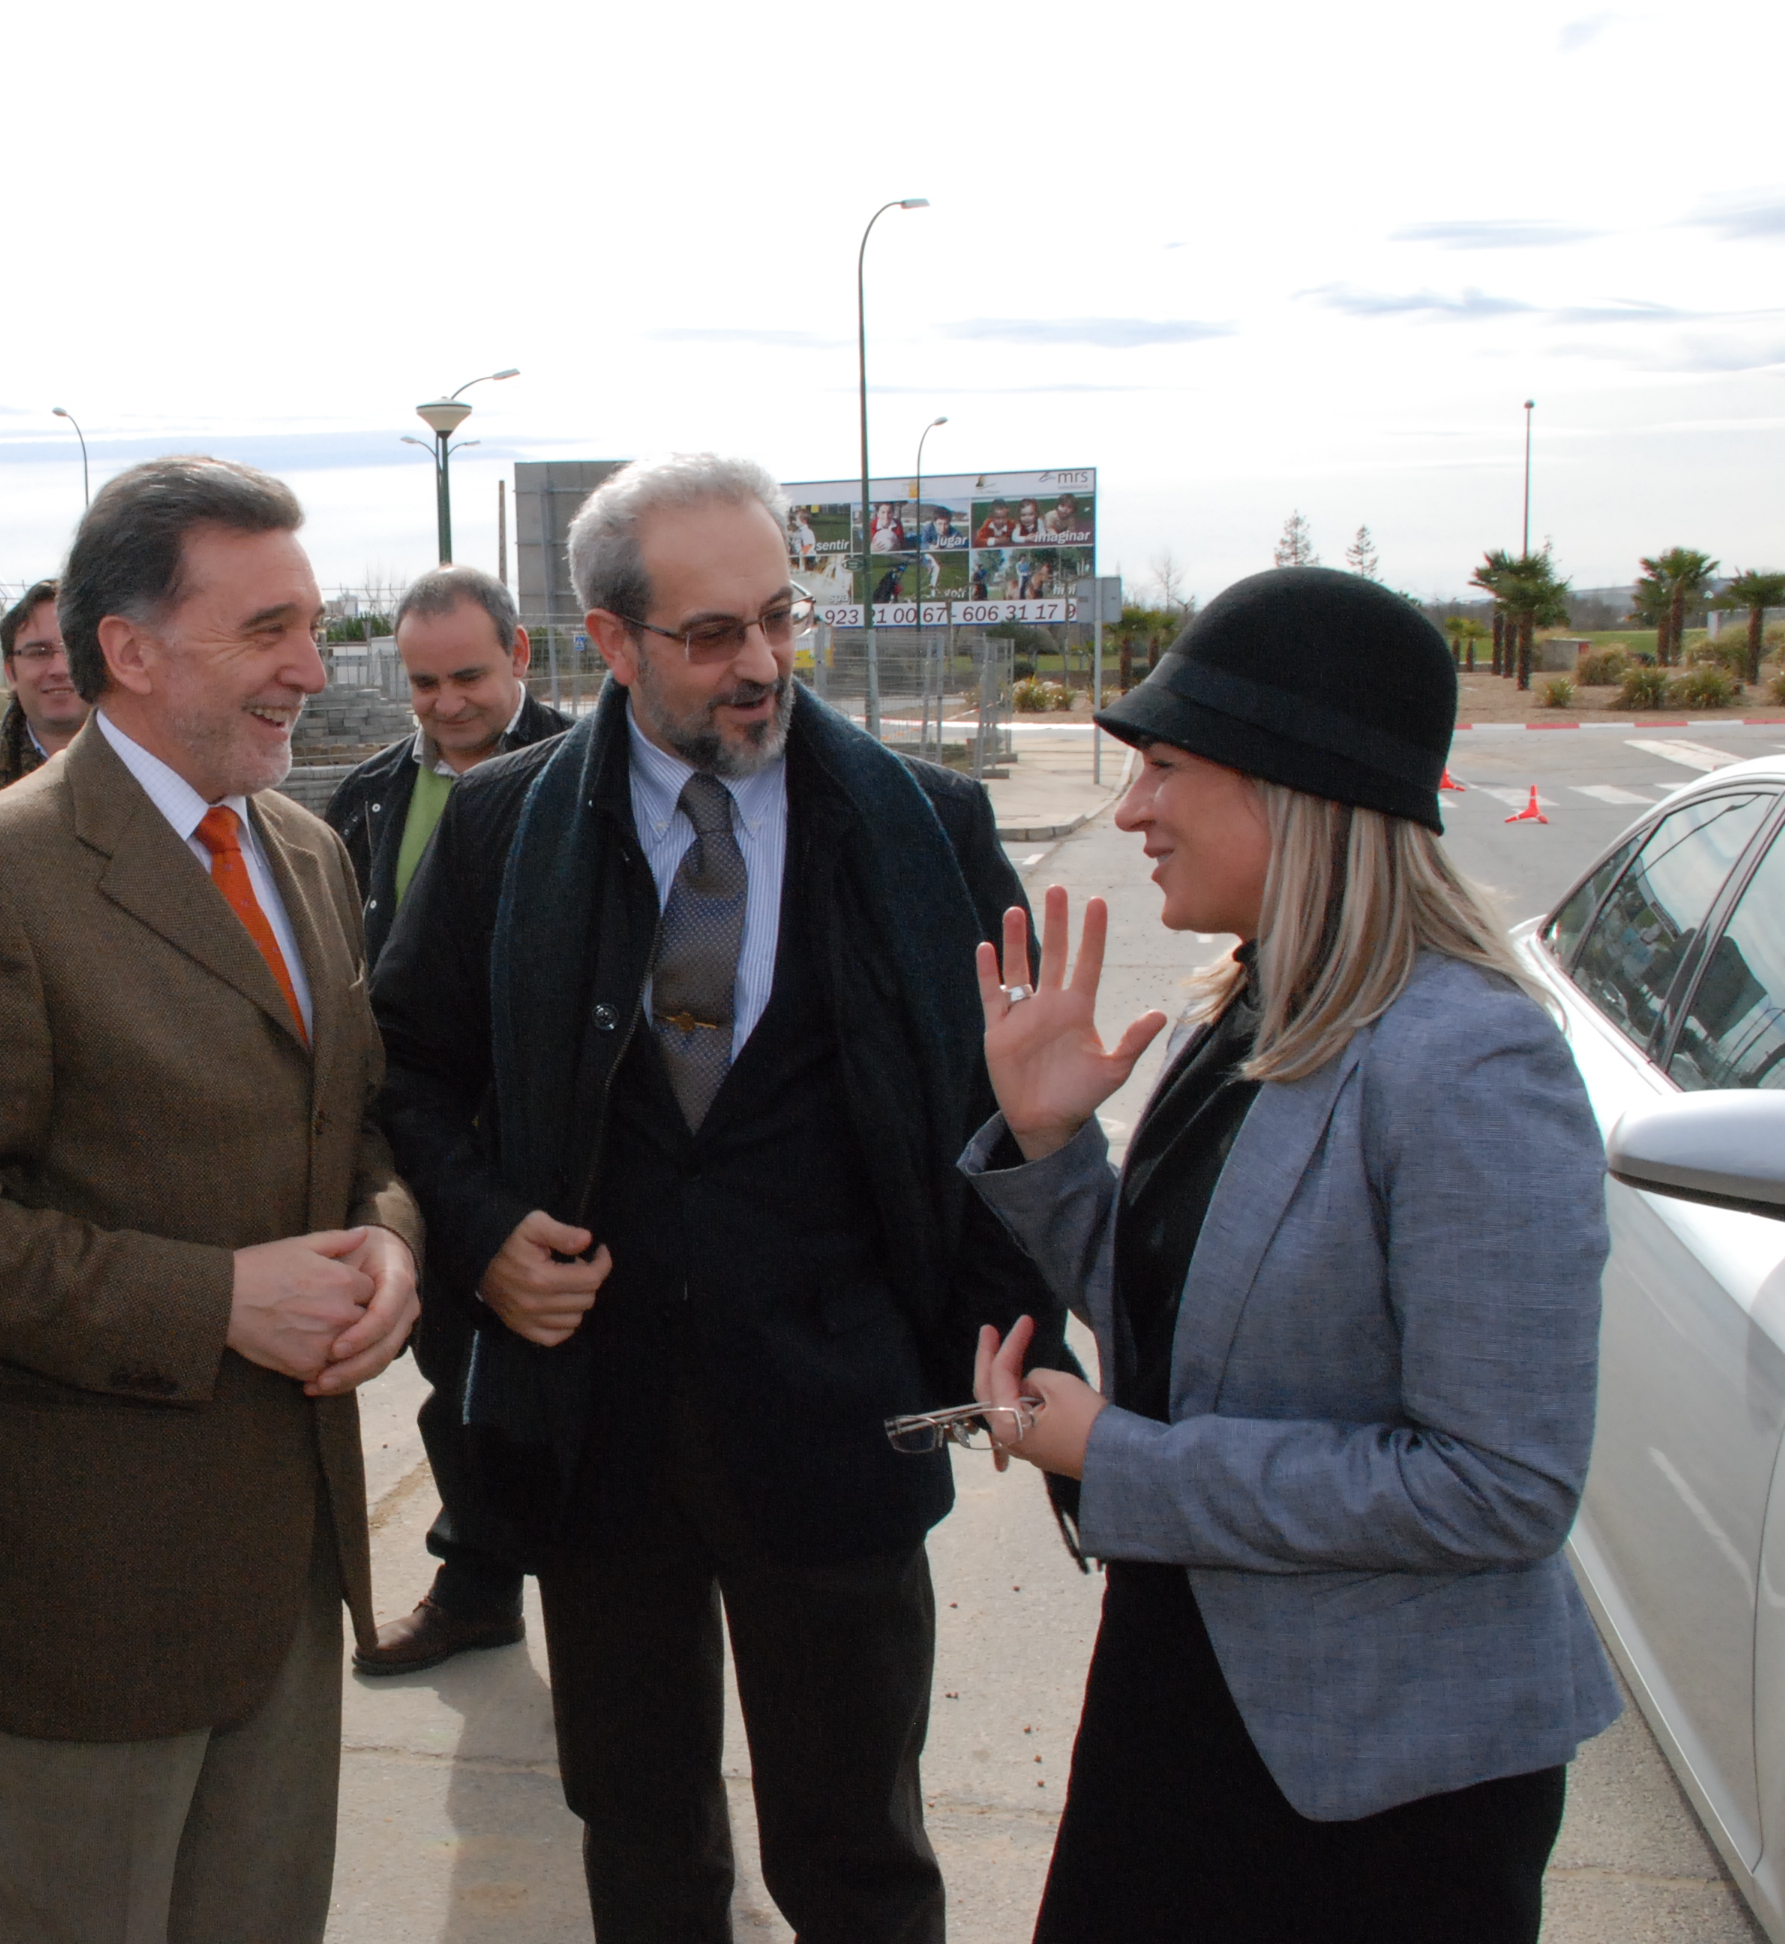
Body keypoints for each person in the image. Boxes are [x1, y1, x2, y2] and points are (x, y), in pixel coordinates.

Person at [375, 453, 1073, 1942]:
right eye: (709, 634)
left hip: (840, 1422)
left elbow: (995, 1116)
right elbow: (409, 1072)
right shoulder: (502, 832)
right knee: (640, 1839)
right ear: (611, 642)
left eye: (778, 617)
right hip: (598, 1432)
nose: (759, 663)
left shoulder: (924, 826)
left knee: (859, 1851)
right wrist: (484, 1234)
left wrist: (1014, 1352)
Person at [959, 566, 1619, 1944]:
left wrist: (1113, 1458)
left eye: (1166, 767)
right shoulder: (1256, 1006)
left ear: (1294, 786)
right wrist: (1050, 1144)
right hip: (1189, 1692)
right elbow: (1199, 1336)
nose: (1131, 811)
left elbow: (1501, 1488)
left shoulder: (1470, 1062)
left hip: (1378, 1782)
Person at [0, 454, 421, 1944]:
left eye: (312, 625)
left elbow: (354, 1123)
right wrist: (215, 1301)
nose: (313, 668)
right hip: (81, 1596)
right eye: (268, 629)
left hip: (283, 1571)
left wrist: (392, 1245)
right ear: (133, 652)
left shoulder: (305, 851)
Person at [323, 565, 570, 1676]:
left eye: (467, 676)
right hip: (419, 1133)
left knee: (543, 1385)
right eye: (423, 684)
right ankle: (477, 1586)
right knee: (452, 1376)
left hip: (543, 1143)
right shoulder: (371, 795)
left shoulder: (588, 775)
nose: (445, 703)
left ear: (520, 656)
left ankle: (570, 1586)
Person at [0, 578, 83, 797]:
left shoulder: (144, 759)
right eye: (39, 653)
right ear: (10, 672)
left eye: (73, 649)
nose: (59, 669)